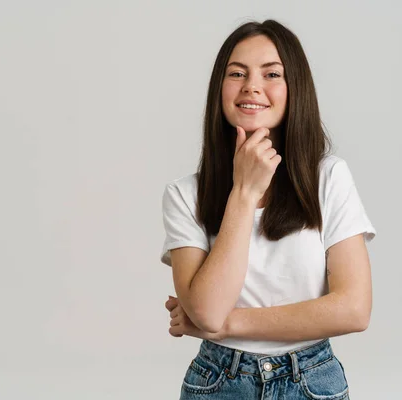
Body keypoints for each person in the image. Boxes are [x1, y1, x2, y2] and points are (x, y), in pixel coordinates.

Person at [160, 19, 376, 399]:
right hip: (217, 381)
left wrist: (226, 324)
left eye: (271, 73)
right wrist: (244, 193)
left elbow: (354, 309)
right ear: (219, 89)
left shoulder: (329, 178)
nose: (251, 86)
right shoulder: (184, 194)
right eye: (237, 73)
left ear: (295, 89)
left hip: (311, 380)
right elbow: (207, 312)